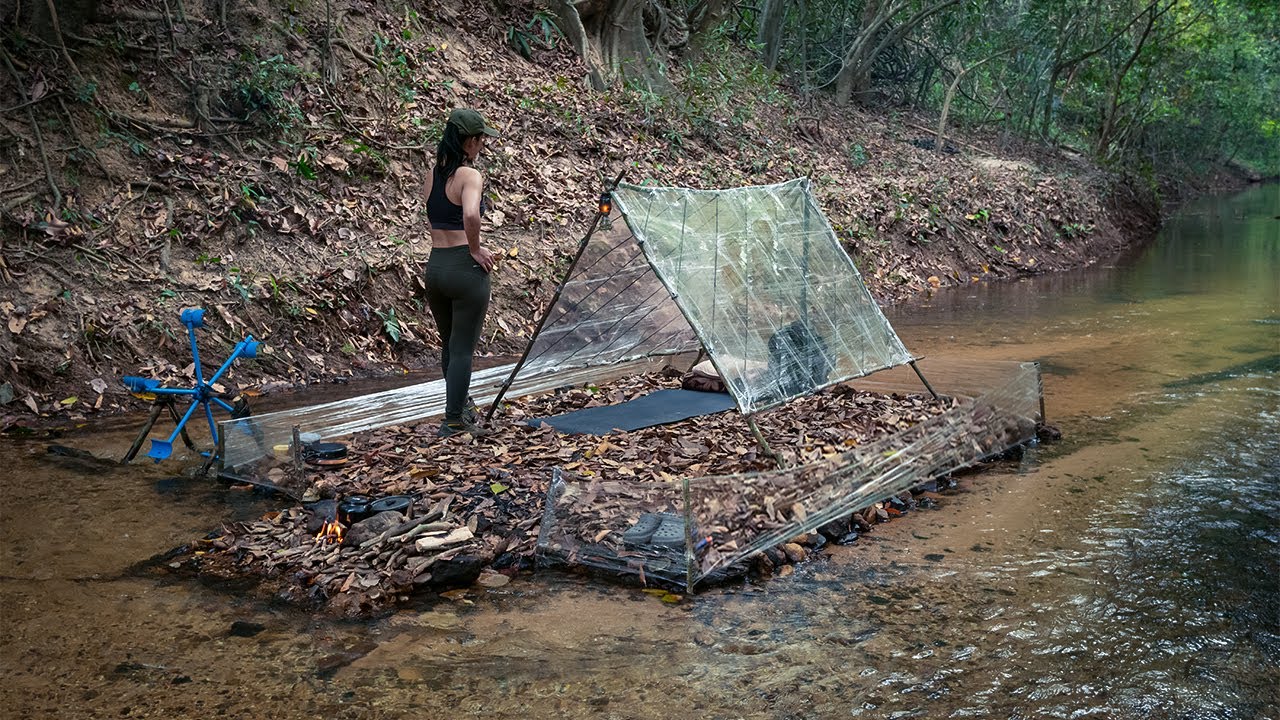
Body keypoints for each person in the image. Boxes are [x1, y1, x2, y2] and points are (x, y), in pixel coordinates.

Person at [424, 108, 500, 437]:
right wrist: (474, 249)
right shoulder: (470, 176)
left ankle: (461, 405)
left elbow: (436, 216)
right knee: (463, 350)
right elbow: (470, 215)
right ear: (469, 141)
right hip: (463, 270)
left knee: (449, 346)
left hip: (436, 267)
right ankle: (454, 419)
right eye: (481, 138)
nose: (483, 144)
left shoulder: (432, 174)